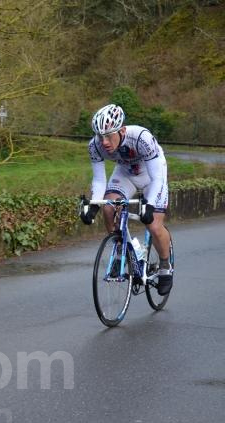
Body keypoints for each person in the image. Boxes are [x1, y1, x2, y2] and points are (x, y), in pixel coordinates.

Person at [79, 103, 173, 295]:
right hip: (126, 173)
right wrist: (94, 205)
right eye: (99, 135)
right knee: (108, 208)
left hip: (152, 175)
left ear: (121, 130)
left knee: (154, 225)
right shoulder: (95, 146)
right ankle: (120, 253)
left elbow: (157, 178)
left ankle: (165, 266)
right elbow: (99, 179)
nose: (103, 141)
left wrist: (150, 205)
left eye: (109, 135)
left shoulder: (141, 137)